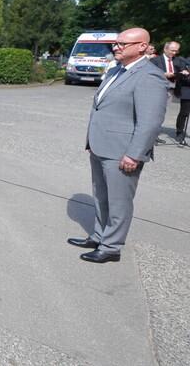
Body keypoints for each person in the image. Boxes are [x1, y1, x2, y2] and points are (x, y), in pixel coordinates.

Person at [68, 28, 167, 263]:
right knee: (102, 196)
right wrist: (92, 141)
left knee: (119, 201)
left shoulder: (149, 75)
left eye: (122, 44)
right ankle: (99, 235)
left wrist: (134, 154)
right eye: (116, 43)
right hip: (102, 146)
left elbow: (150, 121)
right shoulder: (117, 71)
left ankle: (111, 247)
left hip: (123, 151)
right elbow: (103, 108)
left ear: (142, 46)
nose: (116, 47)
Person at [150, 41, 181, 144]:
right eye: (172, 50)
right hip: (158, 90)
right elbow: (150, 73)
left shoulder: (178, 60)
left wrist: (182, 73)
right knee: (154, 113)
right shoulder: (155, 60)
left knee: (162, 114)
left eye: (176, 51)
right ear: (165, 49)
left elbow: (181, 71)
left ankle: (156, 134)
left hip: (171, 90)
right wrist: (163, 74)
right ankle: (150, 136)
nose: (174, 53)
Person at [173, 55, 189, 145]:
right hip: (187, 91)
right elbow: (182, 77)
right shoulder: (184, 62)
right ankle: (179, 132)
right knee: (184, 113)